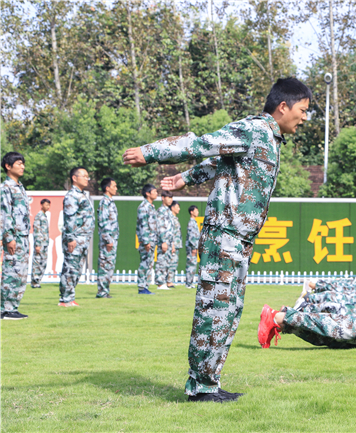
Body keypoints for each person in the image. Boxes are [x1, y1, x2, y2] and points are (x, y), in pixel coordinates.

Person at [123, 77, 312, 402]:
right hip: (224, 234)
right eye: (303, 110)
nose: (305, 118)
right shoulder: (253, 129)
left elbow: (217, 161)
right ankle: (200, 388)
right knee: (215, 309)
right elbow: (202, 143)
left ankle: (210, 383)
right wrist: (150, 152)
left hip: (239, 238)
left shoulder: (269, 138)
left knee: (230, 309)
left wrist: (185, 178)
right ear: (284, 106)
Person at [58, 167, 95, 307]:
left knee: (77, 269)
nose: (87, 178)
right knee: (70, 268)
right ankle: (65, 299)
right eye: (84, 176)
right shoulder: (72, 195)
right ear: (74, 178)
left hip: (83, 239)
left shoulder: (82, 195)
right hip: (75, 238)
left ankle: (70, 297)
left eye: (88, 176)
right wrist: (71, 238)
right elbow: (69, 218)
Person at [1, 152, 31, 320]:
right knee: (11, 271)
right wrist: (9, 237)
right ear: (8, 166)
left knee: (20, 272)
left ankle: (13, 306)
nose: (22, 166)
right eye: (19, 163)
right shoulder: (5, 188)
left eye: (23, 163)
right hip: (14, 237)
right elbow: (5, 214)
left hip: (23, 236)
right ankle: (5, 309)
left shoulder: (19, 187)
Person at [97, 178, 119, 298]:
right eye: (114, 186)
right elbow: (103, 222)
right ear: (107, 188)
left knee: (109, 265)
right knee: (105, 265)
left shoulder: (110, 202)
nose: (116, 188)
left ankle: (105, 291)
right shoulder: (104, 202)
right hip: (108, 240)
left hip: (112, 239)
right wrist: (108, 239)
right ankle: (102, 292)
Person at [136, 184, 158, 295]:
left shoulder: (151, 206)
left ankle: (145, 286)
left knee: (149, 264)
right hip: (147, 241)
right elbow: (143, 225)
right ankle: (141, 287)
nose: (156, 193)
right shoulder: (143, 207)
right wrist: (146, 241)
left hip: (152, 240)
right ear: (147, 193)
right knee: (144, 264)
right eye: (154, 191)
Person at [155, 191, 174, 290]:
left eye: (171, 198)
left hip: (169, 241)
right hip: (164, 241)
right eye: (168, 197)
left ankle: (164, 282)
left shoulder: (168, 211)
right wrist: (163, 241)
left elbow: (171, 229)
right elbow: (160, 227)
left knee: (167, 262)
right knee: (162, 261)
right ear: (163, 198)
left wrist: (173, 243)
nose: (170, 199)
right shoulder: (161, 211)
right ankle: (160, 283)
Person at [31, 198, 51, 288]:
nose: (48, 207)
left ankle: (38, 280)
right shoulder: (39, 215)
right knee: (37, 262)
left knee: (43, 262)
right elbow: (37, 230)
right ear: (42, 205)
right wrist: (38, 244)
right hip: (40, 243)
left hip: (45, 243)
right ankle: (34, 282)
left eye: (49, 205)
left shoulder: (44, 215)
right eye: (46, 205)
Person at [167, 200, 182, 287]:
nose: (179, 209)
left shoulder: (175, 218)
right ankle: (169, 282)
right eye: (177, 207)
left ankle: (170, 281)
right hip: (172, 245)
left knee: (174, 263)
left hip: (176, 245)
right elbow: (170, 232)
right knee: (171, 263)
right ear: (172, 208)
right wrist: (172, 244)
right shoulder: (170, 218)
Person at [185, 205, 200, 289]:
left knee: (193, 265)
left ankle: (190, 283)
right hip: (192, 248)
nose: (197, 212)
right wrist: (194, 247)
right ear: (191, 212)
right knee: (191, 264)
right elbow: (191, 236)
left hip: (194, 247)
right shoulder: (191, 222)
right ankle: (188, 283)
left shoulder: (194, 222)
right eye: (196, 210)